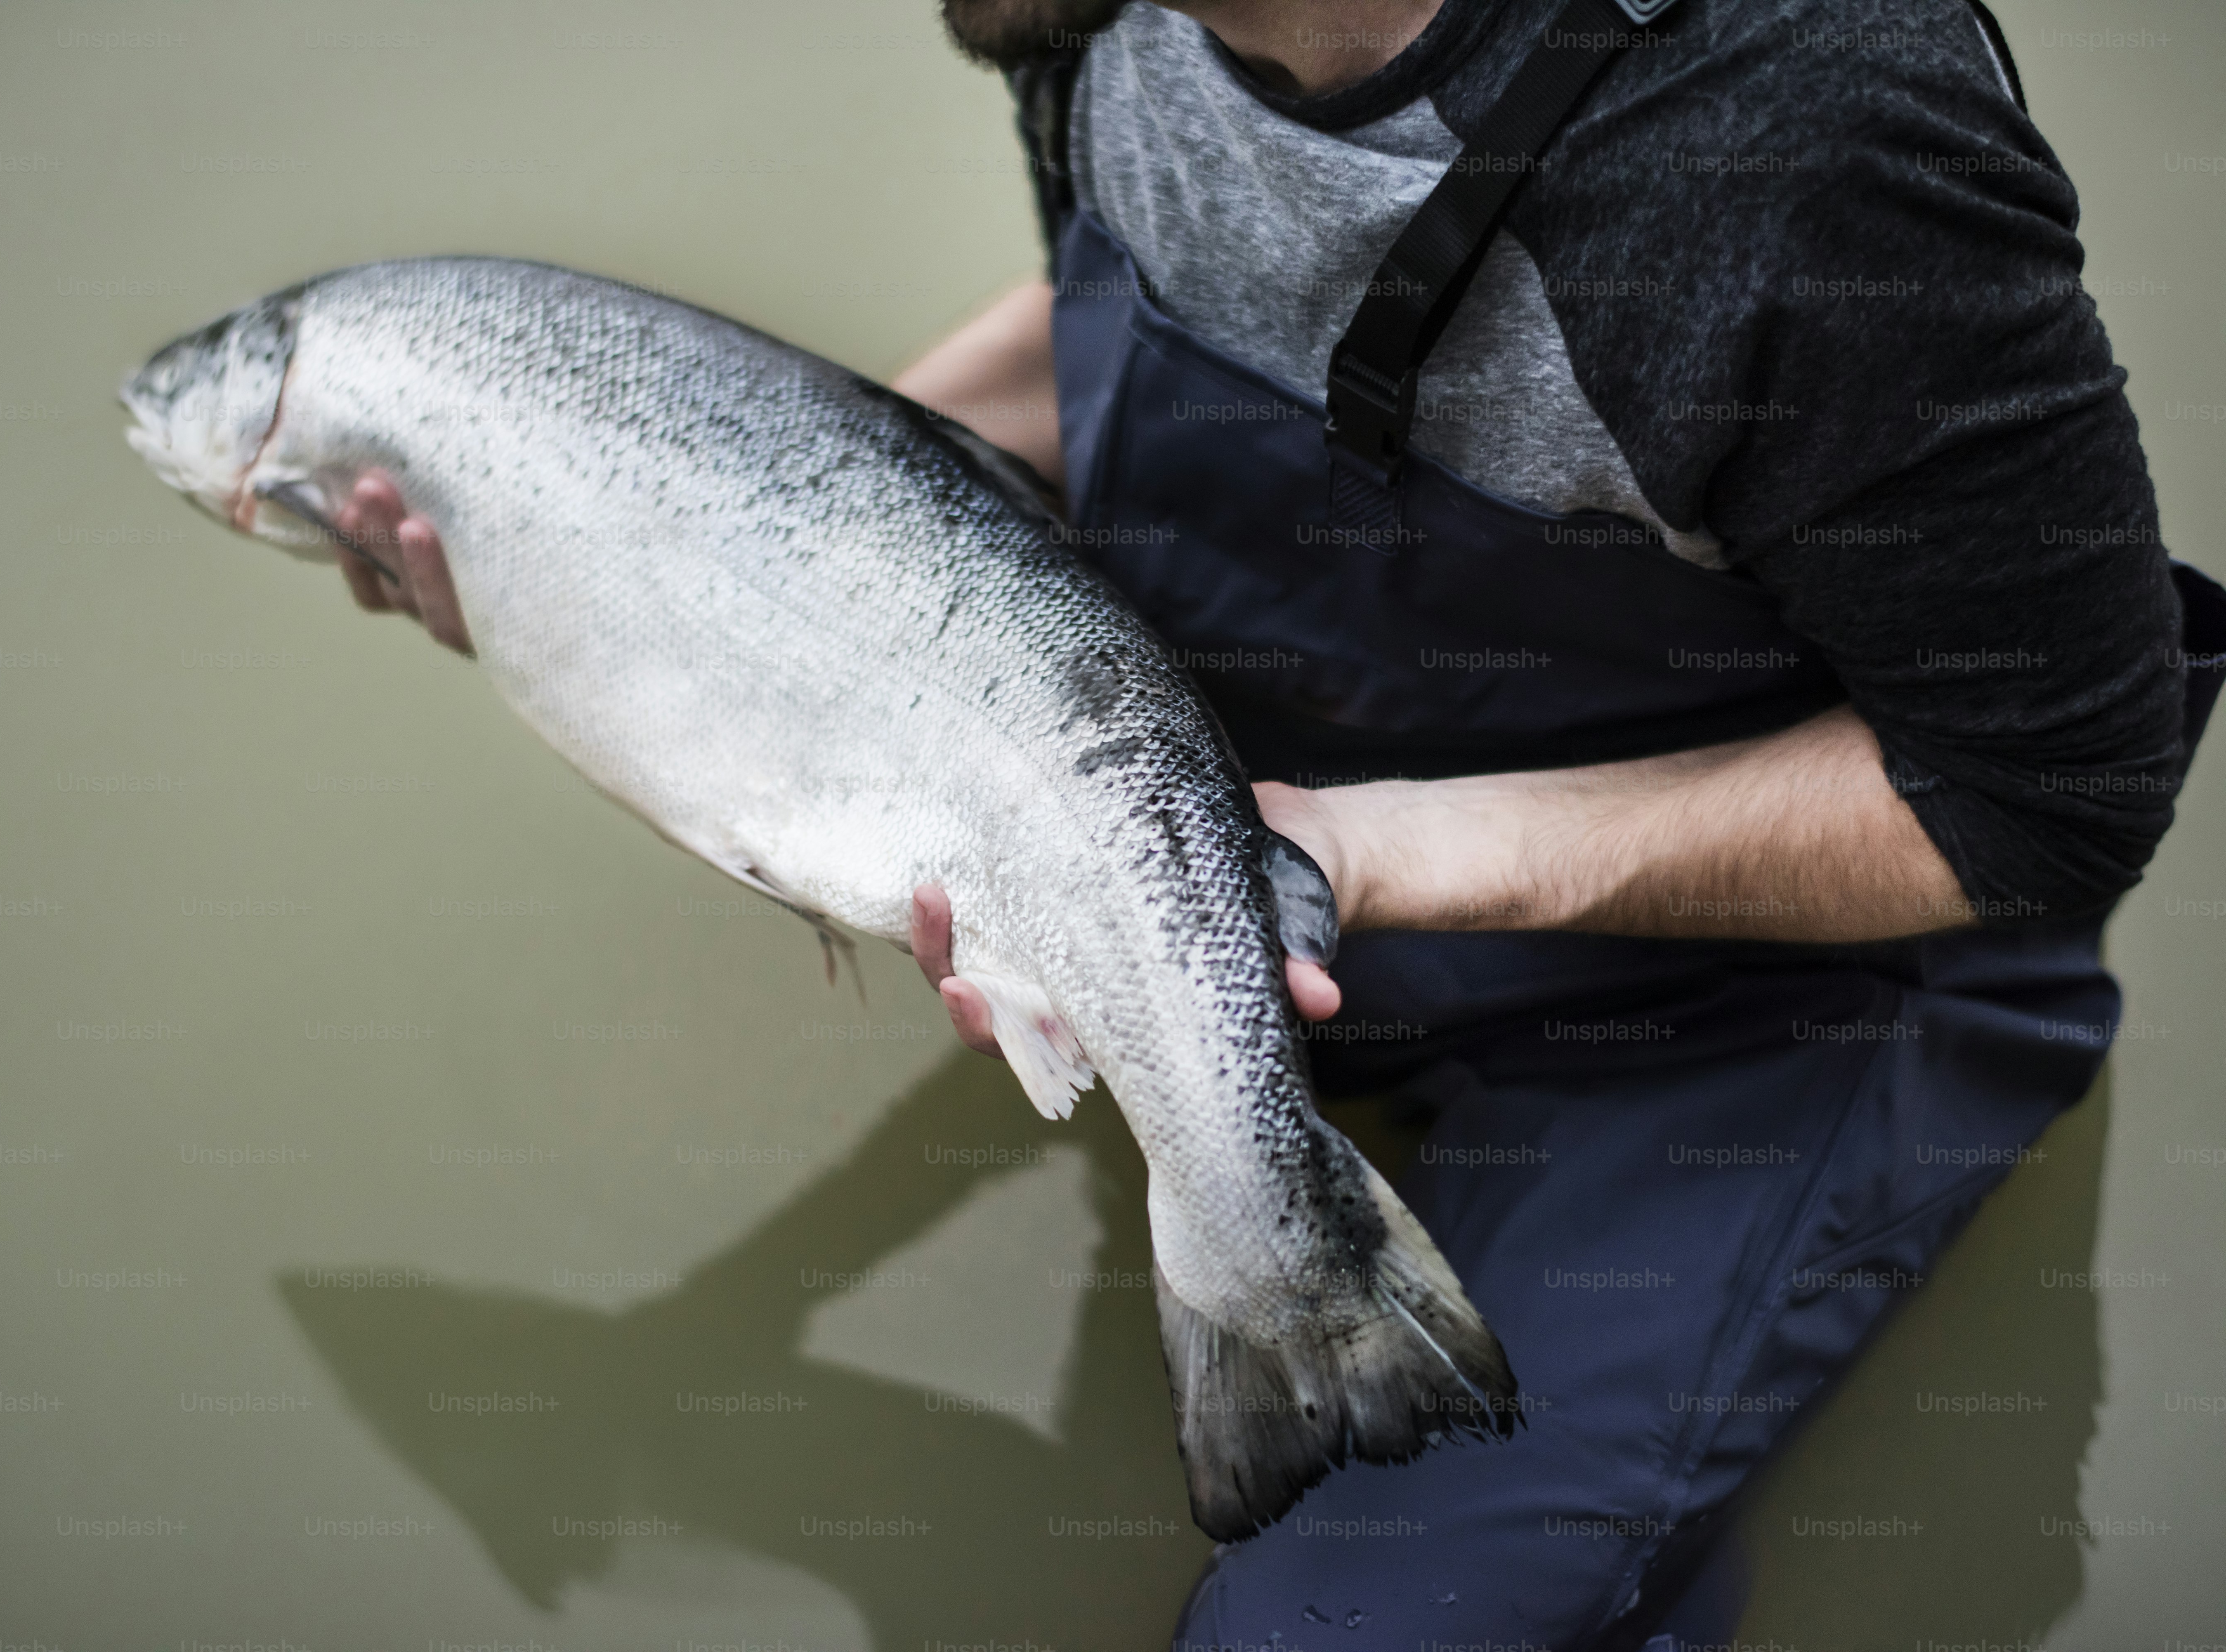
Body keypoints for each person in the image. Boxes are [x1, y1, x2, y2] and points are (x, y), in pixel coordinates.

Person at [322, 0, 2223, 1643]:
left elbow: (2050, 786)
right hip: (1253, 890)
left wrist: (1350, 858)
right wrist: (707, 566)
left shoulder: (1798, 140)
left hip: (1762, 1002)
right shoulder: (1084, 20)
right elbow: (1124, 317)